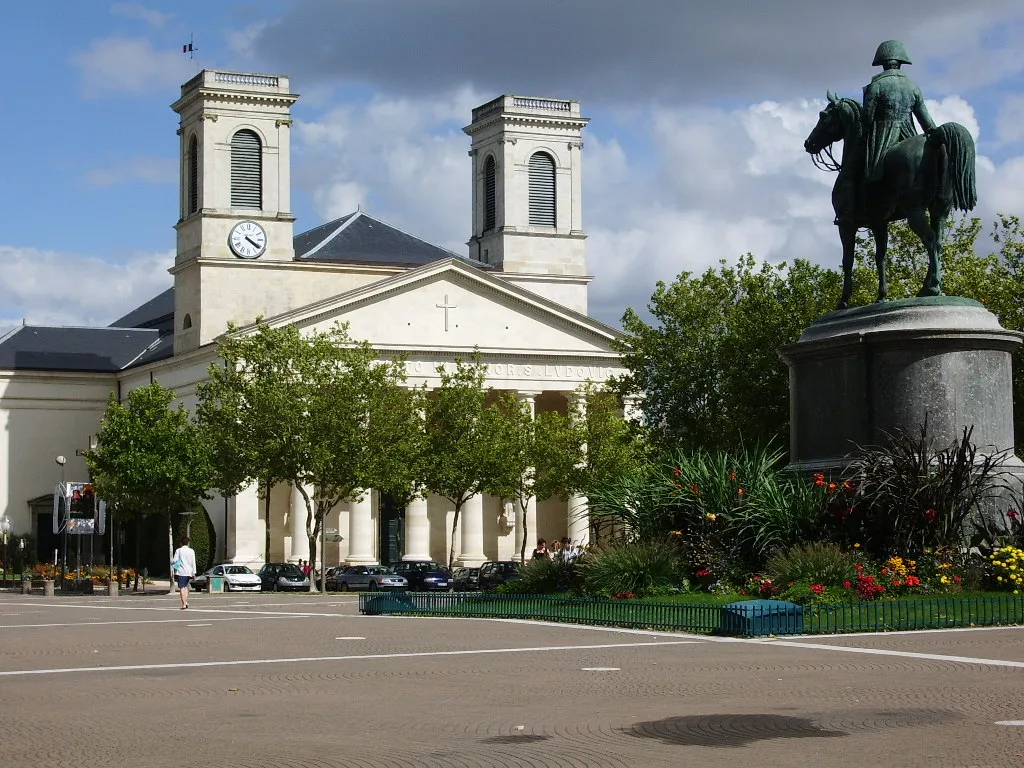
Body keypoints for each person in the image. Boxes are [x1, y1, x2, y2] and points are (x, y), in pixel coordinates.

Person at [861, 39, 935, 185]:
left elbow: (867, 119)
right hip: (908, 134)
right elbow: (927, 122)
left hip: (883, 137)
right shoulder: (913, 86)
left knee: (870, 175)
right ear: (901, 63)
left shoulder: (876, 85)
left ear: (882, 64)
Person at [170, 536, 197, 609]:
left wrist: (172, 563)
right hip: (189, 571)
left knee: (182, 587)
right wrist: (194, 572)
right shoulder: (191, 551)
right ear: (188, 543)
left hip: (181, 571)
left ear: (181, 543)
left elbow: (174, 560)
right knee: (186, 587)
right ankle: (186, 601)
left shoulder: (178, 550)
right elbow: (193, 562)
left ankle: (184, 603)